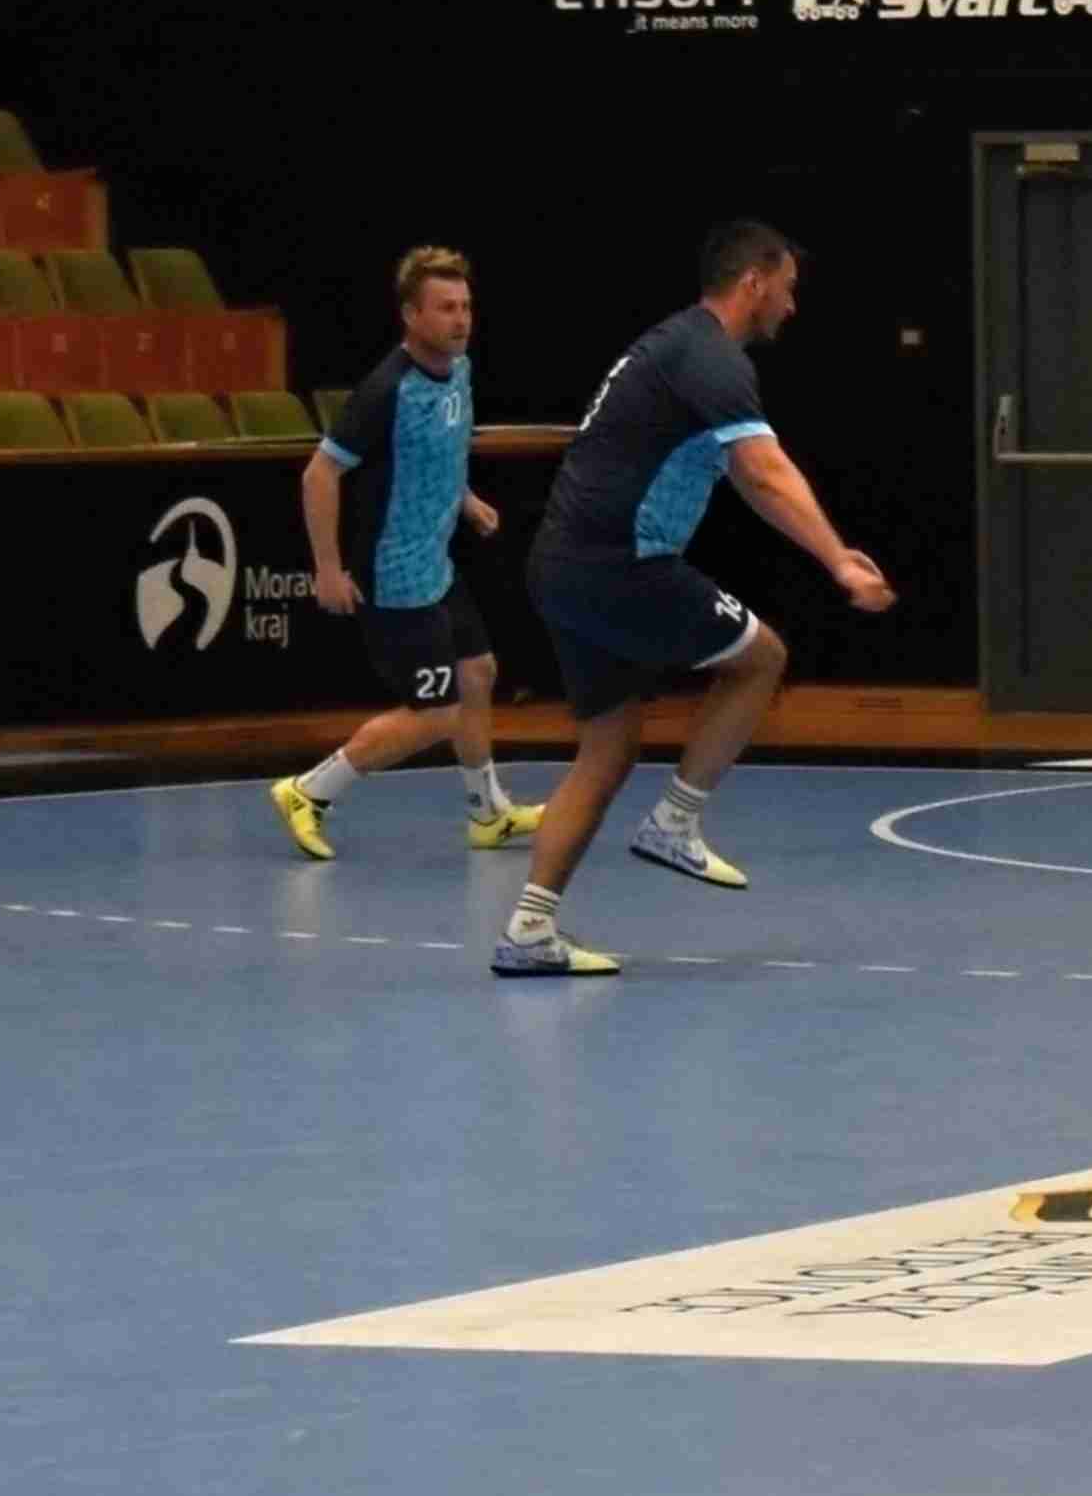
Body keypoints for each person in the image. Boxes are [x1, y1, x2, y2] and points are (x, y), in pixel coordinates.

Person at [497, 218, 894, 982]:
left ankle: (528, 929)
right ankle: (676, 820)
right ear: (754, 282)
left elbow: (748, 479)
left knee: (608, 749)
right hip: (619, 563)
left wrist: (829, 551)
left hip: (564, 565)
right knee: (761, 659)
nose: (792, 306)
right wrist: (840, 564)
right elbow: (768, 470)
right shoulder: (709, 356)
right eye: (787, 289)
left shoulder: (680, 348)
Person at [272, 245, 541, 862]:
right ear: (411, 316)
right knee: (437, 713)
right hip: (395, 577)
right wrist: (328, 569)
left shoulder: (460, 368)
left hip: (436, 564)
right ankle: (308, 792)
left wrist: (464, 499)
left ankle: (488, 815)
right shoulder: (384, 392)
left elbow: (442, 446)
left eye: (465, 306)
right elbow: (319, 474)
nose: (461, 319)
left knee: (478, 672)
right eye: (445, 308)